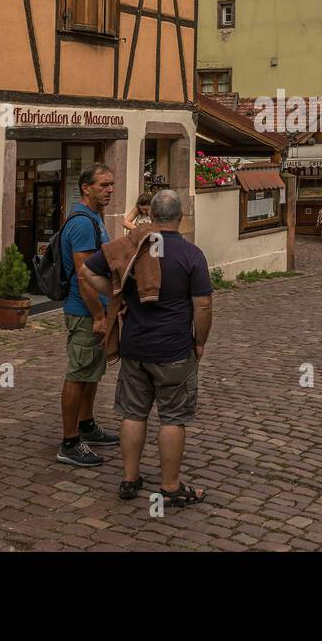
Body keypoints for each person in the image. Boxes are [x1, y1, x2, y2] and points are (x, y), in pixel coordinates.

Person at [83, 190, 213, 508]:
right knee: (172, 418)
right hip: (174, 349)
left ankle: (129, 479)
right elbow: (204, 304)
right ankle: (170, 486)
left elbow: (87, 271)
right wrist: (200, 342)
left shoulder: (132, 247)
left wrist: (117, 292)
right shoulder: (191, 254)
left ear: (150, 217)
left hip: (135, 347)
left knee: (133, 414)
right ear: (180, 218)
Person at [56, 164, 120, 467]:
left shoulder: (95, 218)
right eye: (103, 185)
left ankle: (87, 425)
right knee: (79, 373)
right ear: (86, 188)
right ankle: (69, 443)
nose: (109, 190)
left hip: (97, 309)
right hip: (84, 311)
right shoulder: (82, 223)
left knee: (92, 372)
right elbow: (84, 276)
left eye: (111, 185)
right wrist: (98, 315)